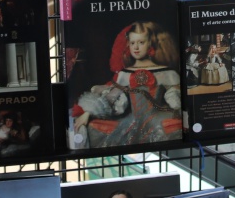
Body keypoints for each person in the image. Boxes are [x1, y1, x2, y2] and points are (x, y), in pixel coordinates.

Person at [68, 21, 183, 149]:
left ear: (150, 43)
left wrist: (174, 99)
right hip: (129, 122)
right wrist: (88, 113)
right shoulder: (124, 73)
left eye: (141, 42)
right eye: (133, 43)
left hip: (158, 120)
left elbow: (178, 99)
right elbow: (111, 98)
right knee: (91, 128)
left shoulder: (167, 72)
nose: (136, 47)